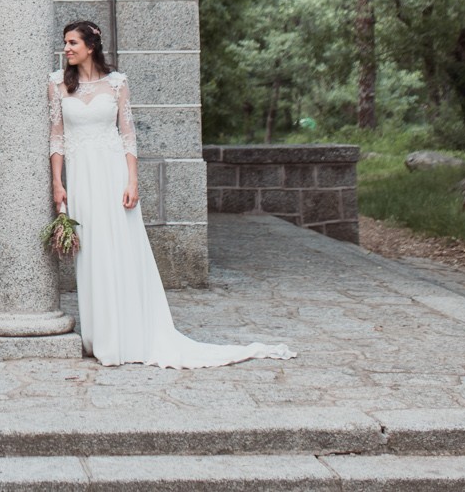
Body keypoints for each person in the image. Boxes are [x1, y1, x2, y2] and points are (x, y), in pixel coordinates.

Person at [48, 20, 295, 368]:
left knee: (121, 249)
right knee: (92, 253)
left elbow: (128, 136)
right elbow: (56, 138)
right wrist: (58, 183)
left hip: (113, 175)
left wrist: (132, 181)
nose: (67, 49)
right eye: (65, 43)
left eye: (72, 43)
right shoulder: (57, 84)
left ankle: (129, 334)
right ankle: (100, 334)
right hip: (82, 178)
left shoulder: (117, 83)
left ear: (91, 46)